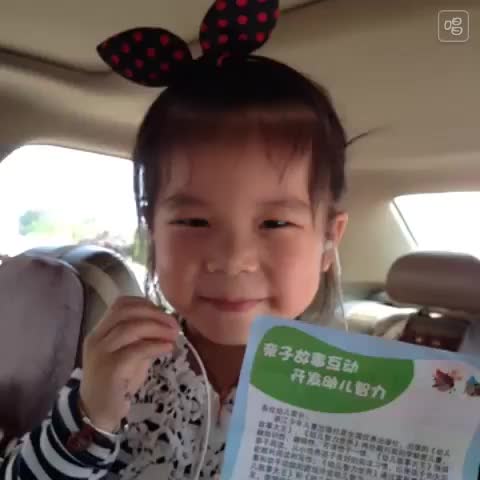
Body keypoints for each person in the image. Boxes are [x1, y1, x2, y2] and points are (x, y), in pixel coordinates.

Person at [0, 2, 350, 479]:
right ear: (153, 232)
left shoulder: (359, 393)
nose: (232, 260)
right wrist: (91, 414)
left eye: (274, 223)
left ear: (329, 239)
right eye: (193, 221)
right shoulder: (120, 367)